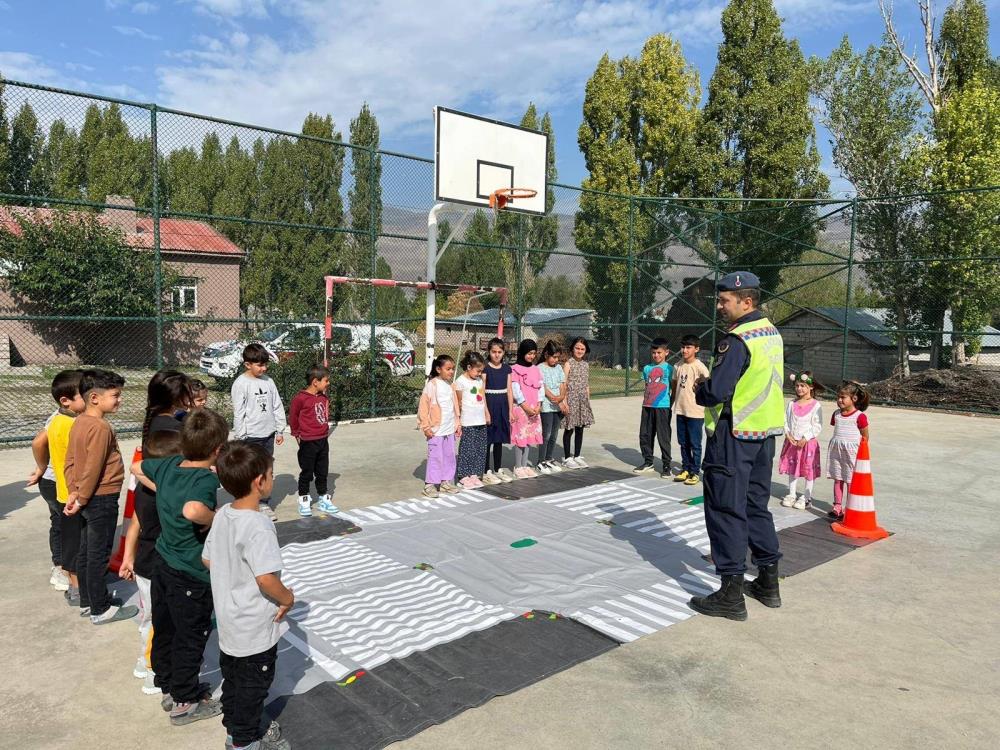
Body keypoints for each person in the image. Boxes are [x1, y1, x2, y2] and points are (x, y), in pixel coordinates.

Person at [690, 272, 785, 621]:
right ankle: (767, 582)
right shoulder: (771, 333)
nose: (719, 306)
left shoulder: (737, 339)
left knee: (726, 509)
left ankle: (730, 593)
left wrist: (701, 386)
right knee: (756, 506)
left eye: (724, 300)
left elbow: (717, 392)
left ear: (746, 301)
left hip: (733, 436)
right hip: (764, 435)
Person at [131, 408, 229, 726]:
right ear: (217, 450)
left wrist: (167, 493)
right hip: (190, 571)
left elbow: (136, 468)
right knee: (191, 635)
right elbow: (193, 510)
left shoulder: (171, 465)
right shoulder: (203, 479)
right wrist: (217, 519)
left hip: (162, 564)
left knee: (166, 626)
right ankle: (186, 701)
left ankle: (169, 686)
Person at [205, 441, 294, 750]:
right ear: (260, 481)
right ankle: (243, 741)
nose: (272, 477)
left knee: (234, 680)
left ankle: (235, 727)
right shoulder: (259, 525)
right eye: (271, 473)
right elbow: (266, 578)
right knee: (253, 686)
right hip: (253, 626)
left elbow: (208, 558)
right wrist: (287, 598)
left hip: (229, 620)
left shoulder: (223, 514)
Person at [64, 369, 138, 624]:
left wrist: (74, 491)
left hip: (85, 497)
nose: (119, 400)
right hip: (100, 498)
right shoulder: (100, 427)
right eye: (115, 395)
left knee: (86, 550)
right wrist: (82, 497)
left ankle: (88, 600)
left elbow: (70, 462)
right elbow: (93, 467)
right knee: (98, 554)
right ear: (94, 398)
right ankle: (100, 608)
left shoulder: (80, 421)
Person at [118, 429, 183, 696]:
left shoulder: (144, 489)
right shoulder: (165, 495)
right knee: (161, 620)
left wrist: (128, 557)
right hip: (158, 567)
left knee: (149, 616)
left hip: (144, 564)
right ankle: (153, 669)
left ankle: (144, 662)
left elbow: (135, 523)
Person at [27, 369, 86, 599]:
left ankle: (68, 568)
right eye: (85, 393)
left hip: (61, 482)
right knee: (65, 526)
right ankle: (62, 569)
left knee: (62, 523)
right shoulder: (61, 419)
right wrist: (42, 468)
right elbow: (38, 442)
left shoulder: (70, 415)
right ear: (66, 400)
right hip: (55, 483)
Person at [231, 343, 286, 518]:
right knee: (249, 470)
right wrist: (240, 436)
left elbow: (276, 405)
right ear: (248, 364)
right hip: (250, 437)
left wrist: (279, 429)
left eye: (265, 364)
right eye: (259, 365)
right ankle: (248, 502)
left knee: (266, 469)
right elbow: (238, 412)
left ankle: (263, 504)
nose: (264, 368)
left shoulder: (269, 382)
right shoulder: (241, 384)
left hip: (268, 435)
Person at [289, 364, 337, 517]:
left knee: (322, 471)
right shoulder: (300, 398)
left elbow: (324, 415)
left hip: (323, 440)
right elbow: (293, 417)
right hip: (308, 442)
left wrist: (324, 430)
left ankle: (323, 498)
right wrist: (297, 434)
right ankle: (304, 500)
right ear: (315, 382)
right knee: (307, 472)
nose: (328, 383)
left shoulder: (323, 397)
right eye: (326, 381)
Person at [417, 355, 462, 498]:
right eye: (448, 369)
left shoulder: (450, 386)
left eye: (452, 369)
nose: (451, 372)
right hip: (436, 430)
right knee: (435, 456)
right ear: (438, 369)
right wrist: (425, 426)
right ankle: (430, 485)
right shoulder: (432, 385)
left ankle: (445, 482)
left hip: (449, 430)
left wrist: (457, 423)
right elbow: (423, 408)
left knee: (449, 456)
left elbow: (454, 408)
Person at [779, 372, 824, 510]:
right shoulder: (791, 404)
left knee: (808, 469)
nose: (799, 389)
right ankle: (791, 494)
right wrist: (787, 433)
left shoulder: (816, 405)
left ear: (811, 387)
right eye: (797, 386)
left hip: (807, 444)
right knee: (793, 468)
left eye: (803, 386)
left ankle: (806, 497)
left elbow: (817, 425)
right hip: (792, 443)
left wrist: (806, 437)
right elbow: (785, 420)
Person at [827, 381, 871, 520]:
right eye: (838, 397)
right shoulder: (836, 414)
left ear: (854, 399)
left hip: (852, 452)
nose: (839, 400)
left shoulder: (860, 416)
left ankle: (850, 507)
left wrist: (861, 452)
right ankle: (837, 506)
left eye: (843, 397)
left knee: (850, 480)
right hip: (837, 451)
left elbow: (865, 436)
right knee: (838, 478)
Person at [671, 335, 710, 486]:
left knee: (695, 443)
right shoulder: (677, 366)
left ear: (696, 349)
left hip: (695, 412)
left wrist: (701, 387)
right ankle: (685, 468)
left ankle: (695, 471)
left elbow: (707, 384)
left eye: (688, 347)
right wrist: (671, 403)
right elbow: (674, 386)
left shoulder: (700, 367)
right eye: (683, 347)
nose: (684, 350)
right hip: (681, 410)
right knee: (683, 442)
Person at [635, 338, 674, 478]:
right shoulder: (647, 368)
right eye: (653, 352)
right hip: (647, 406)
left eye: (659, 352)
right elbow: (647, 386)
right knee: (645, 434)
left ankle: (666, 465)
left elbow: (673, 389)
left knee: (663, 436)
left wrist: (670, 404)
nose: (656, 355)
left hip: (663, 408)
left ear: (666, 352)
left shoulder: (670, 369)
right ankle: (648, 462)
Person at [454, 351, 491, 488]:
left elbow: (483, 398)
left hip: (480, 419)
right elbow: (458, 403)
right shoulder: (460, 381)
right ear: (469, 367)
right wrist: (458, 421)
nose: (480, 374)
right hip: (468, 421)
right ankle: (464, 475)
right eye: (478, 370)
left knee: (479, 448)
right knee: (467, 449)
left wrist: (487, 413)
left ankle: (475, 473)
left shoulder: (480, 381)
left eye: (481, 371)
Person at [510, 339, 543, 479]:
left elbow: (541, 387)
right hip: (521, 409)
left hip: (534, 409)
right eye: (529, 353)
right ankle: (518, 466)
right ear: (522, 352)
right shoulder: (515, 369)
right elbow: (515, 389)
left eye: (534, 353)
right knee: (520, 437)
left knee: (529, 437)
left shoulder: (536, 369)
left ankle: (524, 465)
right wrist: (524, 405)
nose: (531, 356)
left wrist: (538, 405)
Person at [483, 338, 515, 484]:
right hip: (490, 404)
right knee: (488, 439)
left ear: (503, 353)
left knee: (499, 439)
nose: (496, 355)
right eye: (494, 352)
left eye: (499, 352)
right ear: (489, 352)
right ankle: (486, 470)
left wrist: (510, 410)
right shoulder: (485, 368)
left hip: (502, 404)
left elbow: (509, 390)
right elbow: (481, 390)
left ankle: (497, 468)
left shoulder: (507, 369)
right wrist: (485, 411)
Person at [561, 337, 594, 469]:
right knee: (569, 429)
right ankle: (567, 457)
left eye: (582, 349)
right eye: (577, 348)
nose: (579, 351)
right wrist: (564, 401)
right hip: (571, 400)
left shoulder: (586, 365)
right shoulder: (568, 364)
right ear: (572, 348)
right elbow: (563, 384)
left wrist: (588, 401)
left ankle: (577, 455)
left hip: (582, 401)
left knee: (580, 429)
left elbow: (586, 384)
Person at [537, 341, 567, 474]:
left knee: (554, 434)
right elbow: (543, 387)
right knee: (546, 434)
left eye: (557, 358)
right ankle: (540, 461)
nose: (556, 360)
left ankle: (549, 458)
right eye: (553, 357)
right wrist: (554, 398)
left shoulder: (559, 368)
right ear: (546, 355)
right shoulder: (539, 368)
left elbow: (563, 384)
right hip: (547, 406)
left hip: (557, 406)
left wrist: (561, 397)